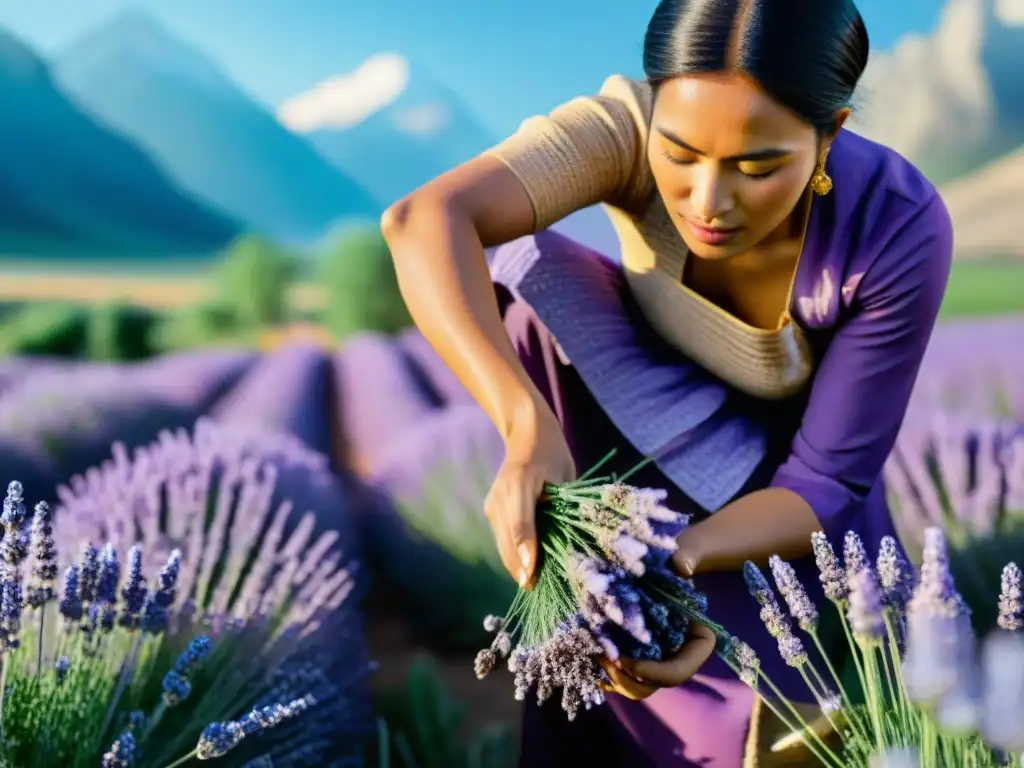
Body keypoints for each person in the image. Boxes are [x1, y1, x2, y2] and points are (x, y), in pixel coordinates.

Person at [382, 0, 953, 764]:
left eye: (756, 167)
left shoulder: (896, 224)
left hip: (777, 496)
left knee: (793, 721)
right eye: (679, 154)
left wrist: (664, 567)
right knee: (534, 278)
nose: (707, 202)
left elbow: (823, 482)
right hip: (626, 409)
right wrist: (524, 427)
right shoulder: (625, 125)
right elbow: (423, 219)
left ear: (832, 133)